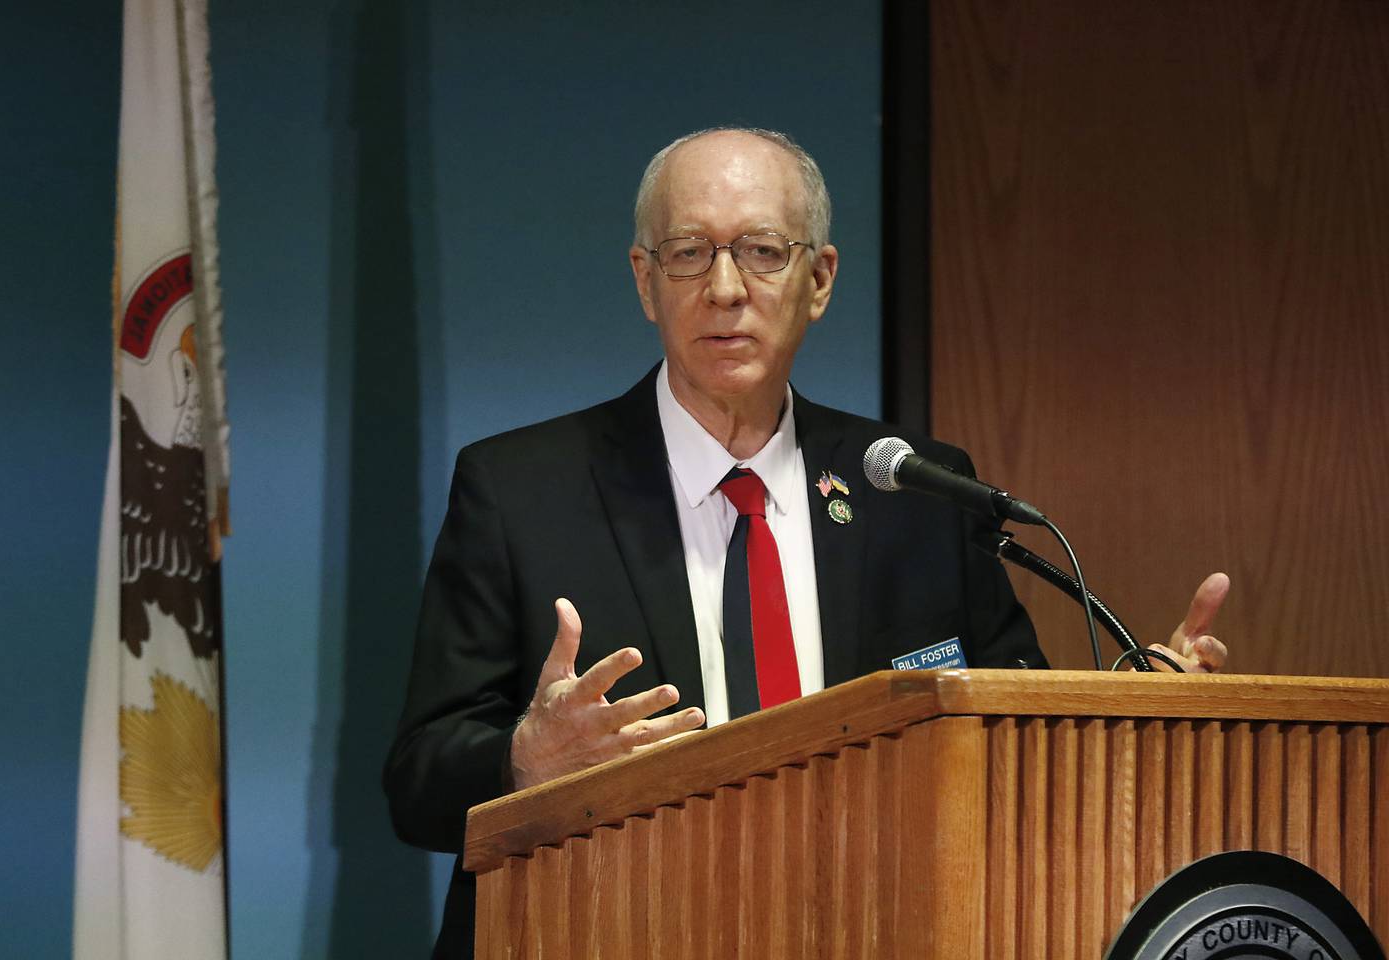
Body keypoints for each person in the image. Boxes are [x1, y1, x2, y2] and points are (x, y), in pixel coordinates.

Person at [383, 127, 1230, 959]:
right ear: (645, 282)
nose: (724, 288)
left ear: (819, 279)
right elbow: (416, 783)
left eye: (761, 251)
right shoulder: (522, 490)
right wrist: (525, 763)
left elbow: (1010, 736)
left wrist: (1143, 709)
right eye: (688, 253)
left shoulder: (917, 489)